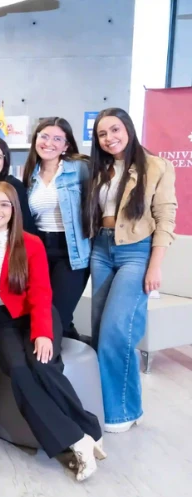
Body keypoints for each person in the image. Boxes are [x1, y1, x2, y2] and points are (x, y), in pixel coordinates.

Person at [0, 182, 105, 482]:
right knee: (18, 369)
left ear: (14, 209)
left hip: (35, 315)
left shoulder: (30, 242)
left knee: (41, 365)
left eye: (4, 204)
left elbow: (41, 293)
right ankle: (82, 437)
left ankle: (84, 435)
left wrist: (42, 332)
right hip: (0, 321)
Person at [84, 108, 177, 433]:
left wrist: (155, 266)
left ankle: (121, 412)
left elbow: (165, 219)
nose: (109, 138)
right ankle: (125, 405)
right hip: (102, 249)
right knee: (100, 330)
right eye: (102, 134)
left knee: (116, 331)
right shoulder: (99, 169)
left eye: (115, 130)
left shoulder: (156, 166)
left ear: (128, 128)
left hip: (136, 252)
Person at [23, 117, 92, 340]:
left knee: (56, 317)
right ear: (36, 140)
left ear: (66, 145)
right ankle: (79, 359)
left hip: (70, 251)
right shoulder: (30, 174)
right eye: (44, 136)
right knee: (44, 313)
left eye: (57, 138)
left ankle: (52, 371)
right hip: (39, 249)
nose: (49, 143)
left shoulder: (80, 168)